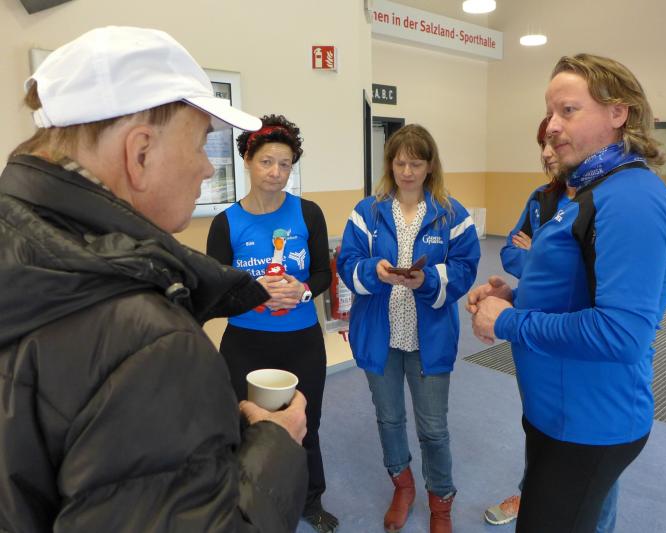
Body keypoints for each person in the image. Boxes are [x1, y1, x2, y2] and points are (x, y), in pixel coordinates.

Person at [0, 26, 309, 533]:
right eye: (201, 144)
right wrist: (276, 445)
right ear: (140, 153)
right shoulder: (150, 344)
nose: (207, 169)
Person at [469, 53, 666, 532]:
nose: (551, 126)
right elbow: (574, 294)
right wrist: (515, 297)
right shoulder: (588, 191)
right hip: (554, 411)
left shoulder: (630, 200)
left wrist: (507, 320)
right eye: (550, 112)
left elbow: (621, 334)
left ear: (618, 112)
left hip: (590, 422)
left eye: (568, 110)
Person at [337, 124, 480, 533]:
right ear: (390, 164)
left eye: (416, 163)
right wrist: (374, 271)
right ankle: (402, 487)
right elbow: (347, 263)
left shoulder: (452, 214)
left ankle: (441, 504)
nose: (407, 172)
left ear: (430, 165)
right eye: (400, 163)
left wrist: (428, 280)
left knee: (433, 428)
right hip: (379, 336)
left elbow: (466, 268)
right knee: (389, 419)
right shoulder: (367, 212)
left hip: (428, 338)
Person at [485, 117, 620, 531]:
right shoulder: (542, 199)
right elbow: (510, 252)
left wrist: (540, 258)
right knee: (541, 430)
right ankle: (530, 492)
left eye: (554, 142)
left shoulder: (610, 202)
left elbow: (596, 289)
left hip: (584, 352)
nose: (547, 152)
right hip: (537, 347)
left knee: (593, 459)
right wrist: (533, 271)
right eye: (542, 144)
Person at [206, 114, 338, 533]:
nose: (276, 172)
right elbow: (214, 295)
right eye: (266, 162)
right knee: (244, 425)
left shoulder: (308, 214)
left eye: (285, 164)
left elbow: (323, 273)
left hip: (301, 341)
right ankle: (246, 505)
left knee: (306, 424)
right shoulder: (226, 223)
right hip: (246, 343)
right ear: (247, 160)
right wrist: (253, 292)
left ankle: (311, 500)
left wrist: (301, 291)